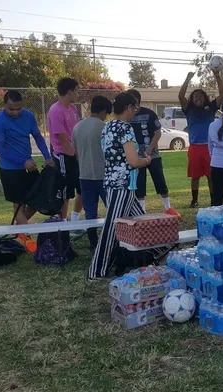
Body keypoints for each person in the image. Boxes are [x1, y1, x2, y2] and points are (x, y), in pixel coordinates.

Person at [88, 93, 162, 279]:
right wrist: (146, 160)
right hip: (122, 184)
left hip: (118, 183)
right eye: (134, 108)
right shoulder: (125, 128)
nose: (134, 112)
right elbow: (133, 161)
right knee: (112, 229)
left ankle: (156, 254)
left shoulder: (108, 127)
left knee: (140, 222)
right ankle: (97, 270)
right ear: (128, 107)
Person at [0, 90, 53, 230]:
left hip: (29, 168)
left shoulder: (28, 116)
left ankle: (18, 230)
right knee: (18, 205)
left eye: (19, 109)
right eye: (11, 109)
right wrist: (22, 161)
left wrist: (47, 157)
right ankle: (26, 238)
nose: (15, 112)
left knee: (38, 200)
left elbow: (38, 136)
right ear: (4, 105)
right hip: (10, 170)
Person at [126, 89, 179, 217]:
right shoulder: (126, 116)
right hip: (136, 156)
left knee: (160, 180)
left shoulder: (149, 113)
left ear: (138, 100)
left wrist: (149, 149)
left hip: (152, 154)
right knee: (139, 183)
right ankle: (142, 211)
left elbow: (157, 132)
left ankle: (167, 208)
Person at [179, 69, 223, 207]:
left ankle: (213, 201)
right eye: (195, 97)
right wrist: (187, 79)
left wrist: (217, 76)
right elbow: (181, 96)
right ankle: (194, 200)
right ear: (192, 99)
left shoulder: (210, 108)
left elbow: (222, 94)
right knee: (195, 176)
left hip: (209, 148)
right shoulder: (188, 109)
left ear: (204, 98)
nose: (198, 98)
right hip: (194, 148)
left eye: (200, 96)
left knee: (211, 176)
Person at [73, 95, 113, 250]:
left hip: (85, 175)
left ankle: (93, 243)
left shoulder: (77, 127)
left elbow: (75, 151)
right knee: (111, 209)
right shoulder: (105, 127)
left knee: (90, 212)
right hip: (104, 176)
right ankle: (112, 240)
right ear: (103, 111)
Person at [48, 77, 83, 221]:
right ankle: (62, 222)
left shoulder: (73, 108)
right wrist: (73, 155)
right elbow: (63, 139)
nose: (77, 95)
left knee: (82, 187)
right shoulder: (55, 111)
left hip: (75, 154)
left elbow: (77, 131)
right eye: (76, 91)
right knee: (66, 192)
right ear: (69, 92)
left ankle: (75, 219)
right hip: (63, 155)